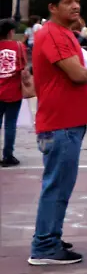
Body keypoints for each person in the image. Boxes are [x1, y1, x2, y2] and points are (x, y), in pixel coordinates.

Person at [28, 0, 87, 266]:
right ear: (52, 7)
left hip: (65, 123)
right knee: (57, 186)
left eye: (78, 1)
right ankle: (44, 245)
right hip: (60, 125)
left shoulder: (61, 34)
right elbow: (76, 74)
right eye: (68, 2)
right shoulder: (53, 35)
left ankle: (50, 237)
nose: (76, 6)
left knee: (59, 185)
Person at [0, 17, 28, 168]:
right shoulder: (19, 46)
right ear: (11, 32)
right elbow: (23, 67)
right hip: (13, 92)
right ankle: (8, 155)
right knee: (10, 125)